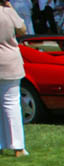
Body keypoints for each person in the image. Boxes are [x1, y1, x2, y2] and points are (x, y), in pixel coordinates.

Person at [0, 0, 26, 156]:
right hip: (9, 61)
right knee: (11, 104)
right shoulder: (7, 11)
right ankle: (18, 147)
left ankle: (2, 144)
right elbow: (22, 29)